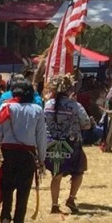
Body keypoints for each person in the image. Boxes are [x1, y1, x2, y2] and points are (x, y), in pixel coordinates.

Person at [0, 80, 47, 223]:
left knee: (7, 187)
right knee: (24, 189)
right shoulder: (37, 110)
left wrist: (2, 140)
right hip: (28, 154)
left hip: (7, 152)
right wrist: (42, 158)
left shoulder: (6, 107)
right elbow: (41, 136)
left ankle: (5, 218)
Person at [44, 74, 93, 214]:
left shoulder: (47, 104)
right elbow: (86, 124)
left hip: (51, 144)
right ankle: (71, 199)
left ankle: (54, 204)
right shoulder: (75, 106)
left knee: (56, 173)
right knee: (79, 170)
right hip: (71, 144)